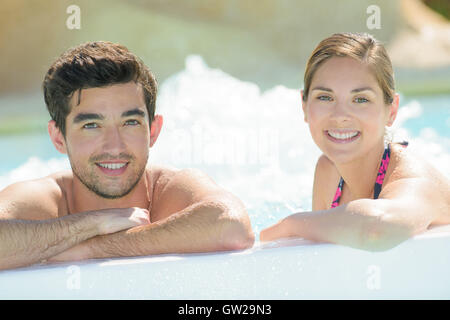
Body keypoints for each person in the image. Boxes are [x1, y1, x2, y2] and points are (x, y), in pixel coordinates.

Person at [0, 41, 254, 270]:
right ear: (58, 138)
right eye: (91, 126)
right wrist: (90, 225)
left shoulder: (172, 190)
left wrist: (96, 247)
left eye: (130, 122)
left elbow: (232, 226)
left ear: (153, 131)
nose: (115, 145)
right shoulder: (46, 201)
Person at [260, 33, 450, 251]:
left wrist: (291, 224)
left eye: (361, 99)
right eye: (325, 97)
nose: (340, 115)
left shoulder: (416, 180)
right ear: (304, 106)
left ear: (392, 110)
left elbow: (375, 228)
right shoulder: (329, 170)